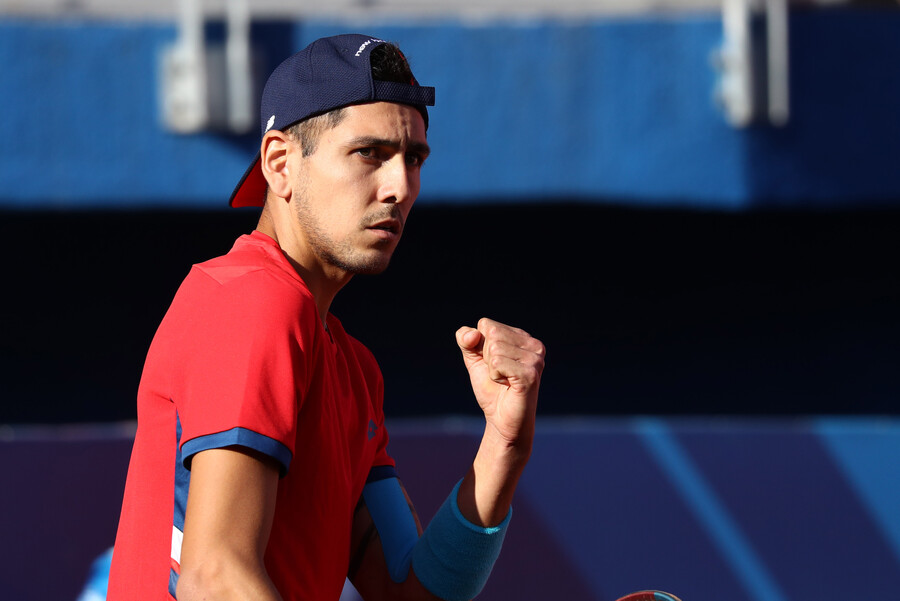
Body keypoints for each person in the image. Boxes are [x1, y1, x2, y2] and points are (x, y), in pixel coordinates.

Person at [107, 33, 545, 601]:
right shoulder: (251, 300)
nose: (400, 187)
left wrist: (505, 445)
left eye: (413, 159)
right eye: (370, 153)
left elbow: (407, 591)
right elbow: (214, 578)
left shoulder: (355, 370)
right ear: (280, 163)